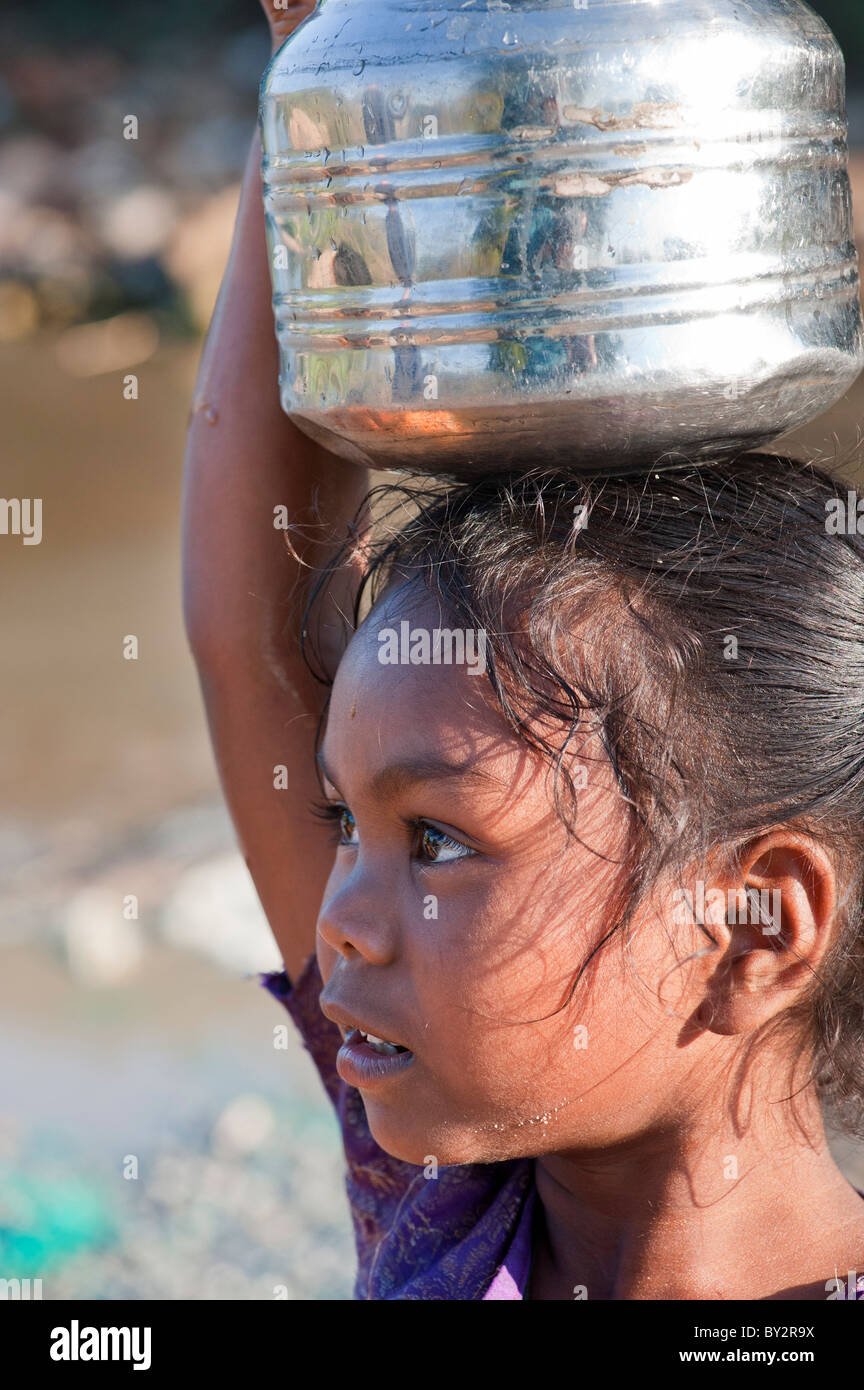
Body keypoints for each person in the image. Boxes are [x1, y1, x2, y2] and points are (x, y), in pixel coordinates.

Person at [182, 0, 864, 1300]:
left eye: (436, 838)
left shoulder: (438, 1198)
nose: (340, 923)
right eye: (341, 819)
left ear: (753, 927)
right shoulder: (453, 1207)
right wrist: (327, 74)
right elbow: (249, 641)